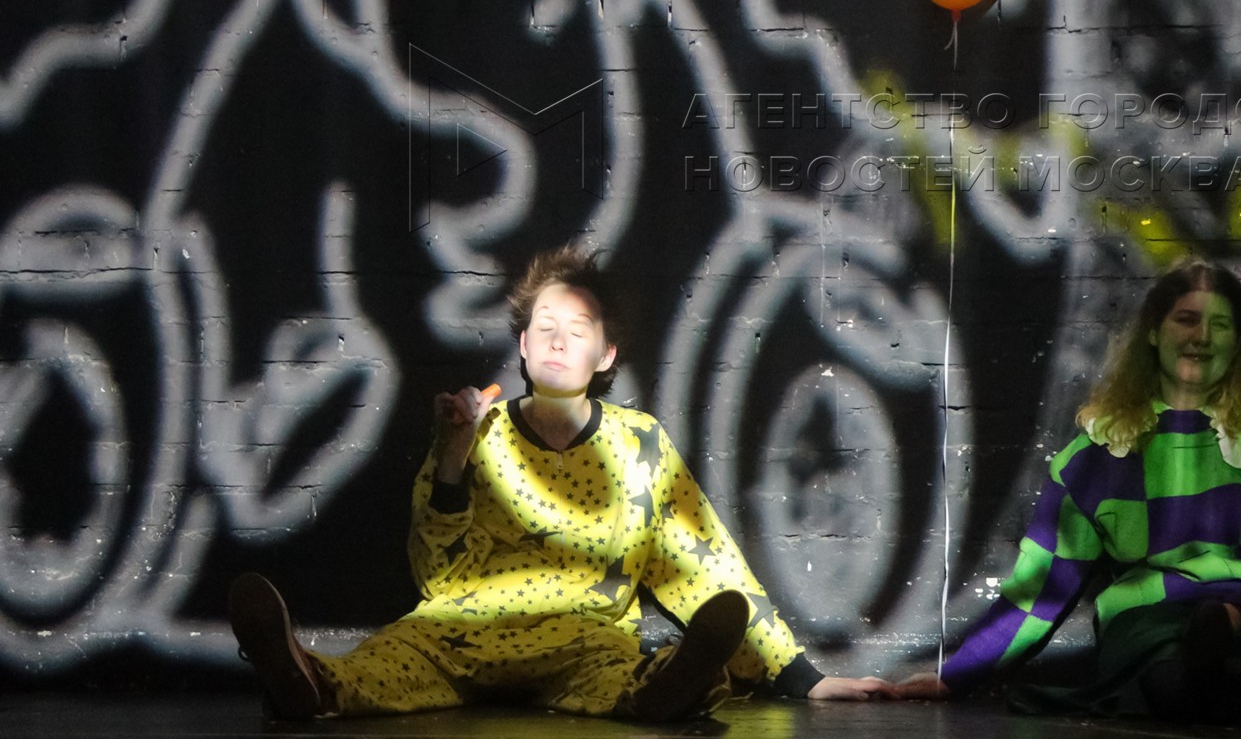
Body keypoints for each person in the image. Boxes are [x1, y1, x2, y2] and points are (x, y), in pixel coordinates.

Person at [229, 247, 892, 720]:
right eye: (543, 328)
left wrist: (801, 677)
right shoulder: (478, 430)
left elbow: (704, 562)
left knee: (626, 671)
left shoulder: (639, 443)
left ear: (605, 355)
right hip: (462, 630)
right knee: (391, 657)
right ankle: (306, 680)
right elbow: (436, 574)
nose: (556, 341)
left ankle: (671, 688)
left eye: (576, 331)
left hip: (581, 635)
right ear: (522, 346)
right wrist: (453, 454)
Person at [898, 257, 1241, 725]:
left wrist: (1234, 612)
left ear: (1238, 340)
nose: (1202, 337)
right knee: (1168, 674)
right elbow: (1043, 587)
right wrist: (956, 675)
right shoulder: (1102, 451)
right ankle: (1239, 686)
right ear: (1154, 332)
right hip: (1153, 617)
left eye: (1220, 325)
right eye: (1187, 319)